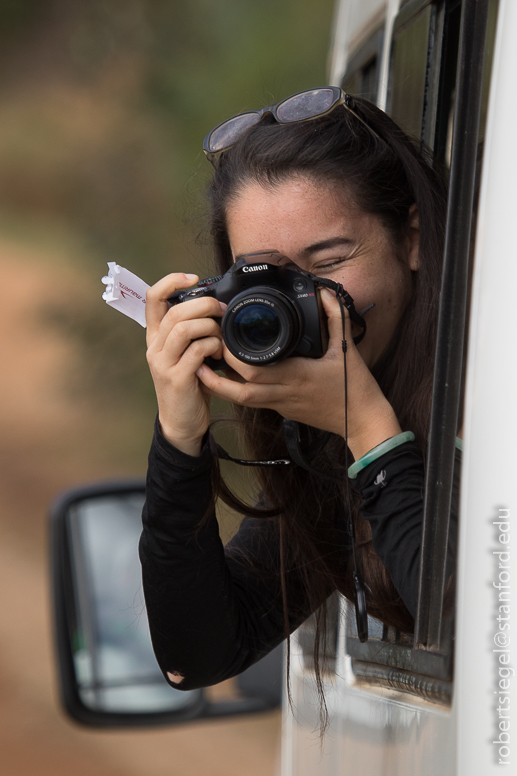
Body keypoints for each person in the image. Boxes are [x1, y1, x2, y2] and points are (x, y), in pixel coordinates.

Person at [139, 88, 458, 696]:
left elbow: (479, 628)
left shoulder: (490, 389)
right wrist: (180, 439)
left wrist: (367, 425)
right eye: (267, 276)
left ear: (411, 239)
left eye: (330, 259)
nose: (305, 300)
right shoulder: (318, 437)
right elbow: (197, 655)